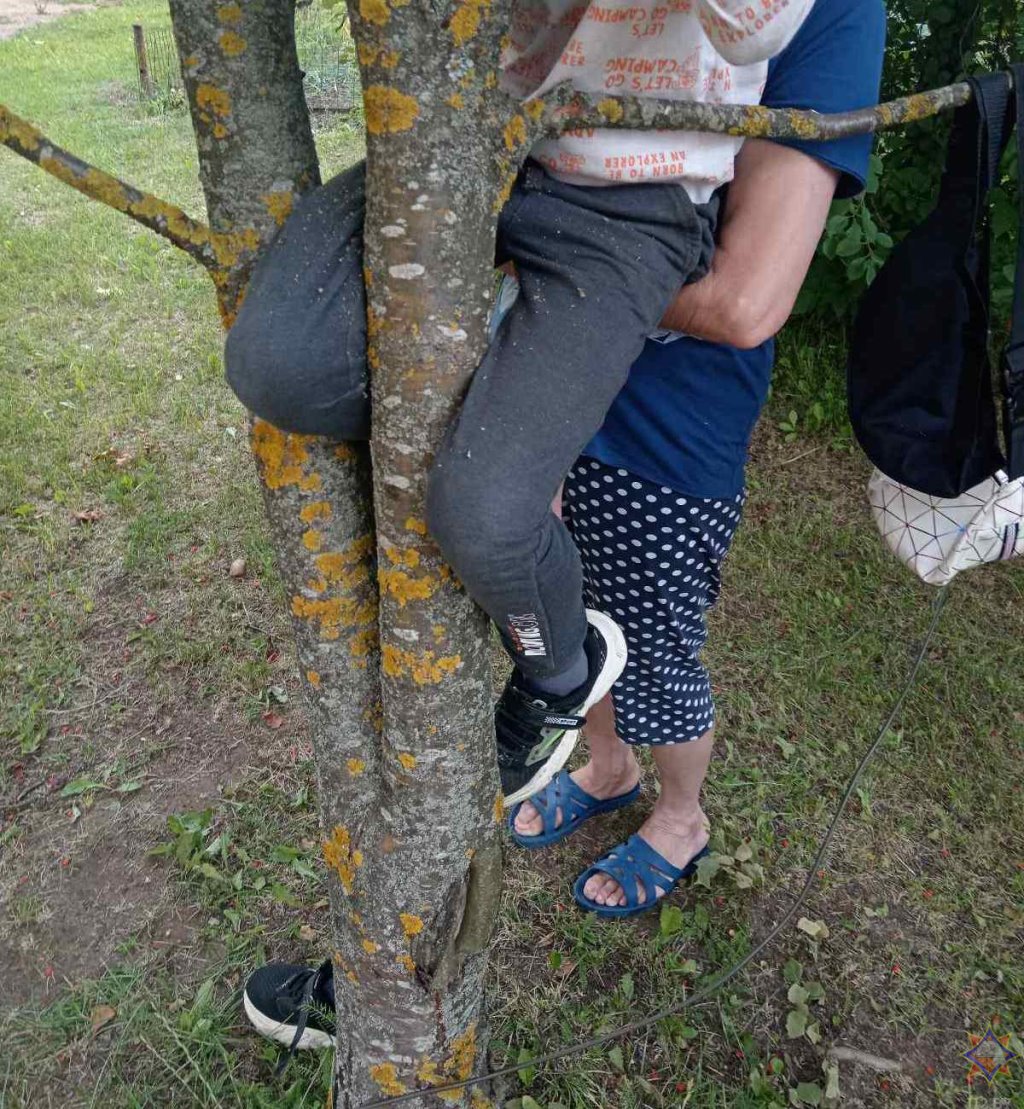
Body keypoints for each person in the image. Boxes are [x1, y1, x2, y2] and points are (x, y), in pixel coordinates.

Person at [240, 0, 886, 1048]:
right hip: (519, 351)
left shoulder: (838, 14)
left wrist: (510, 300)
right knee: (526, 627)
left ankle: (678, 813)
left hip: (661, 411)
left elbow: (744, 298)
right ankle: (601, 769)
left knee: (649, 649)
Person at [229, 2, 817, 826]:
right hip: (469, 140)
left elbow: (752, 29)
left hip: (633, 196)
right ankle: (501, 332)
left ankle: (560, 672)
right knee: (275, 364)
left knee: (485, 518)